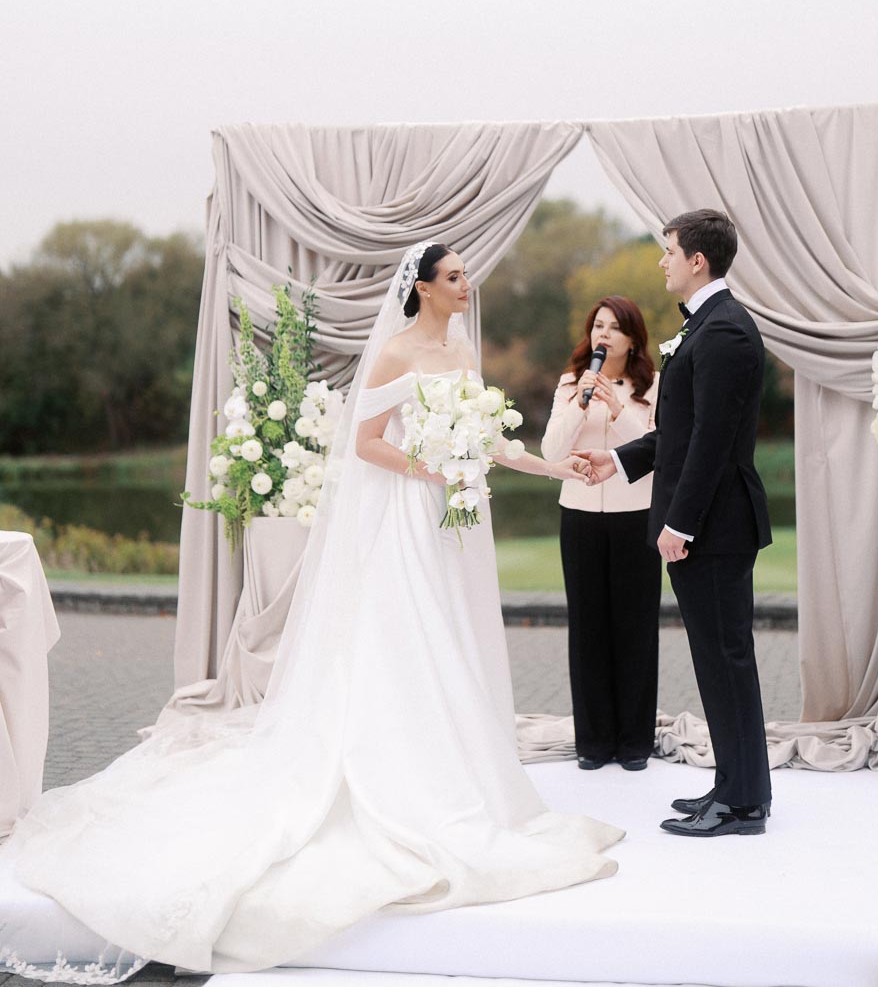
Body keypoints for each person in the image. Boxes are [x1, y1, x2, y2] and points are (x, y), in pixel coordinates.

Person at [1, 241, 623, 982]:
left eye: (464, 277)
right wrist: (433, 467)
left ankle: (454, 771)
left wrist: (555, 465)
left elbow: (489, 439)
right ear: (423, 288)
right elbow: (363, 445)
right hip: (405, 522)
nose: (466, 287)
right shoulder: (393, 354)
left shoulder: (459, 352)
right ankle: (394, 777)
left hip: (452, 521)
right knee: (406, 643)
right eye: (455, 278)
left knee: (450, 644)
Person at [574, 210, 772, 837]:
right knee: (719, 659)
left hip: (714, 527)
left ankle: (742, 804)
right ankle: (738, 788)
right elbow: (680, 434)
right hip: (707, 526)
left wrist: (681, 524)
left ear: (697, 261)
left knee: (725, 658)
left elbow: (712, 444)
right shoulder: (707, 327)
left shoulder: (726, 333)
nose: (661, 261)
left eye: (668, 251)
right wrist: (619, 459)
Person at [541, 296, 660, 772]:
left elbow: (654, 450)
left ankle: (634, 743)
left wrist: (617, 410)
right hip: (581, 515)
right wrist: (578, 403)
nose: (603, 334)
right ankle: (593, 742)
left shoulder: (652, 386)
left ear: (632, 339)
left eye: (613, 327)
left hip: (636, 515)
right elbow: (552, 451)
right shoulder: (570, 383)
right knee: (587, 628)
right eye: (597, 326)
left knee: (635, 628)